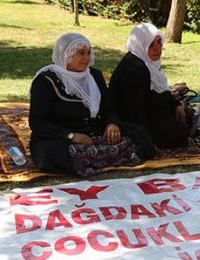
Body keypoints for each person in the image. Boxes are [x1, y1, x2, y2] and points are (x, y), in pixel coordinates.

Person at [29, 33, 155, 176]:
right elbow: (37, 122)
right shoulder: (46, 81)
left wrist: (111, 123)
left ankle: (96, 158)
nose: (87, 58)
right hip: (60, 138)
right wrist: (71, 135)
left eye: (88, 53)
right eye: (81, 53)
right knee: (57, 154)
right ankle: (107, 157)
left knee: (137, 136)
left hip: (95, 134)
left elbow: (109, 108)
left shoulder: (94, 76)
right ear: (66, 54)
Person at [109, 23, 192, 148]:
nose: (157, 48)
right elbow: (136, 109)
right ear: (141, 45)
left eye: (159, 42)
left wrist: (176, 105)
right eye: (151, 44)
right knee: (178, 132)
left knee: (188, 115)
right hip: (138, 119)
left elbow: (162, 91)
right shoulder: (135, 68)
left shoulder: (149, 63)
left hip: (152, 112)